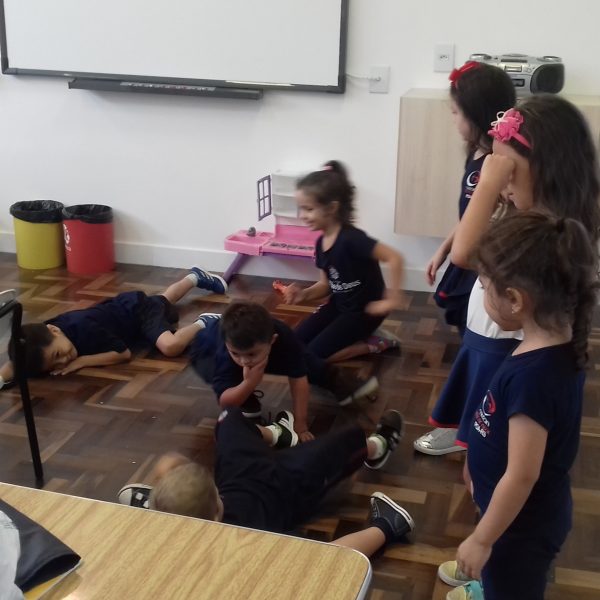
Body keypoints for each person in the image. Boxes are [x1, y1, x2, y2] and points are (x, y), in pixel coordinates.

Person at [414, 93, 600, 456]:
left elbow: (465, 254)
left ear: (546, 168)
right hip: (489, 335)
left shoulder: (546, 231)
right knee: (478, 415)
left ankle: (480, 450)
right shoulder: (524, 206)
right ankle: (469, 438)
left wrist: (486, 186)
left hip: (506, 347)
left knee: (493, 432)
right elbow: (468, 234)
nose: (501, 182)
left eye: (508, 171)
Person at [437, 213, 598, 600]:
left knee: (510, 586)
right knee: (499, 575)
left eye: (483, 286)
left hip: (519, 529)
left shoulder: (535, 377)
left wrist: (482, 539)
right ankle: (488, 582)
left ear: (514, 299)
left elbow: (523, 475)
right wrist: (476, 462)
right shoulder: (548, 345)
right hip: (510, 514)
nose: (480, 293)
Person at [118, 406, 414, 557]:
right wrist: (383, 530)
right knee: (338, 446)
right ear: (215, 510)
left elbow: (173, 466)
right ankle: (379, 452)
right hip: (284, 489)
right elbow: (331, 555)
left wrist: (170, 486)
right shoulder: (250, 539)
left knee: (229, 418)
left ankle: (278, 434)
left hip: (240, 478)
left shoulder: (203, 520)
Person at [189, 301, 379, 443]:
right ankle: (247, 399)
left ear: (272, 340)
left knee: (303, 358)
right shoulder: (224, 353)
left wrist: (301, 424)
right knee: (238, 400)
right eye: (236, 353)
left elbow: (299, 378)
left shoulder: (283, 336)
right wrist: (249, 384)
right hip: (204, 353)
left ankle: (335, 379)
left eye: (251, 354)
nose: (244, 360)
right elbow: (225, 402)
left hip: (266, 350)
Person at [0, 267, 227, 385]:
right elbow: (17, 360)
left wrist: (82, 361)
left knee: (170, 346)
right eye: (54, 365)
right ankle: (194, 277)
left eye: (58, 355)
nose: (62, 361)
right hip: (126, 311)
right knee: (164, 300)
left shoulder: (84, 328)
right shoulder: (42, 337)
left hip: (137, 312)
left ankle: (204, 322)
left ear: (54, 330)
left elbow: (123, 354)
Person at [281, 160, 404, 362]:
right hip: (340, 306)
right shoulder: (320, 243)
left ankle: (375, 343)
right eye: (300, 209)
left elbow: (395, 258)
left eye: (308, 209)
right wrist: (303, 294)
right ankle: (355, 338)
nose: (302, 216)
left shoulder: (352, 239)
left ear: (331, 208)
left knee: (312, 358)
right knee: (295, 344)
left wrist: (392, 299)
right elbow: (325, 285)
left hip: (364, 312)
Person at [426, 61, 515, 337]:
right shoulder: (475, 153)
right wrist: (444, 248)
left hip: (483, 265)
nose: (453, 119)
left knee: (475, 324)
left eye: (456, 112)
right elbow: (471, 215)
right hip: (465, 253)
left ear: (476, 114)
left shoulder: (498, 165)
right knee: (462, 321)